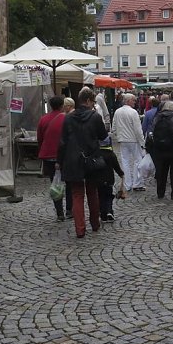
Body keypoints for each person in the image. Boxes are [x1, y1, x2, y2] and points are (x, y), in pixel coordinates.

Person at [58, 88, 108, 237]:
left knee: (77, 195)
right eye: (93, 102)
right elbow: (103, 136)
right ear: (88, 101)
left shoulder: (68, 118)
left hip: (73, 160)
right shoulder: (95, 117)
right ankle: (95, 223)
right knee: (92, 192)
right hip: (91, 158)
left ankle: (80, 229)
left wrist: (60, 161)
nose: (93, 104)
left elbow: (62, 142)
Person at [149, 100, 173, 200]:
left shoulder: (157, 117)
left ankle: (160, 193)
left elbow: (151, 131)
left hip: (159, 148)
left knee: (161, 172)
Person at [37, 96, 67, 221]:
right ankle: (70, 209)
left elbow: (40, 138)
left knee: (55, 183)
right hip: (64, 156)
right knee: (69, 182)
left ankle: (60, 212)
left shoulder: (43, 119)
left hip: (49, 156)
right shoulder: (66, 118)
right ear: (62, 106)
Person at [111, 93, 146, 192]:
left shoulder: (117, 111)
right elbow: (138, 130)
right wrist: (142, 142)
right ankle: (137, 183)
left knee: (125, 161)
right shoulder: (133, 112)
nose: (135, 102)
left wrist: (118, 136)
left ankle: (128, 184)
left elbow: (114, 127)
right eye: (133, 100)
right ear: (128, 101)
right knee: (138, 160)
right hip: (133, 140)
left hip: (122, 140)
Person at [98, 137, 125, 223]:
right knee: (109, 196)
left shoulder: (97, 154)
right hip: (109, 179)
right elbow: (116, 166)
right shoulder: (111, 154)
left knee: (101, 197)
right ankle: (109, 211)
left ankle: (103, 215)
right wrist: (121, 174)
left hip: (99, 180)